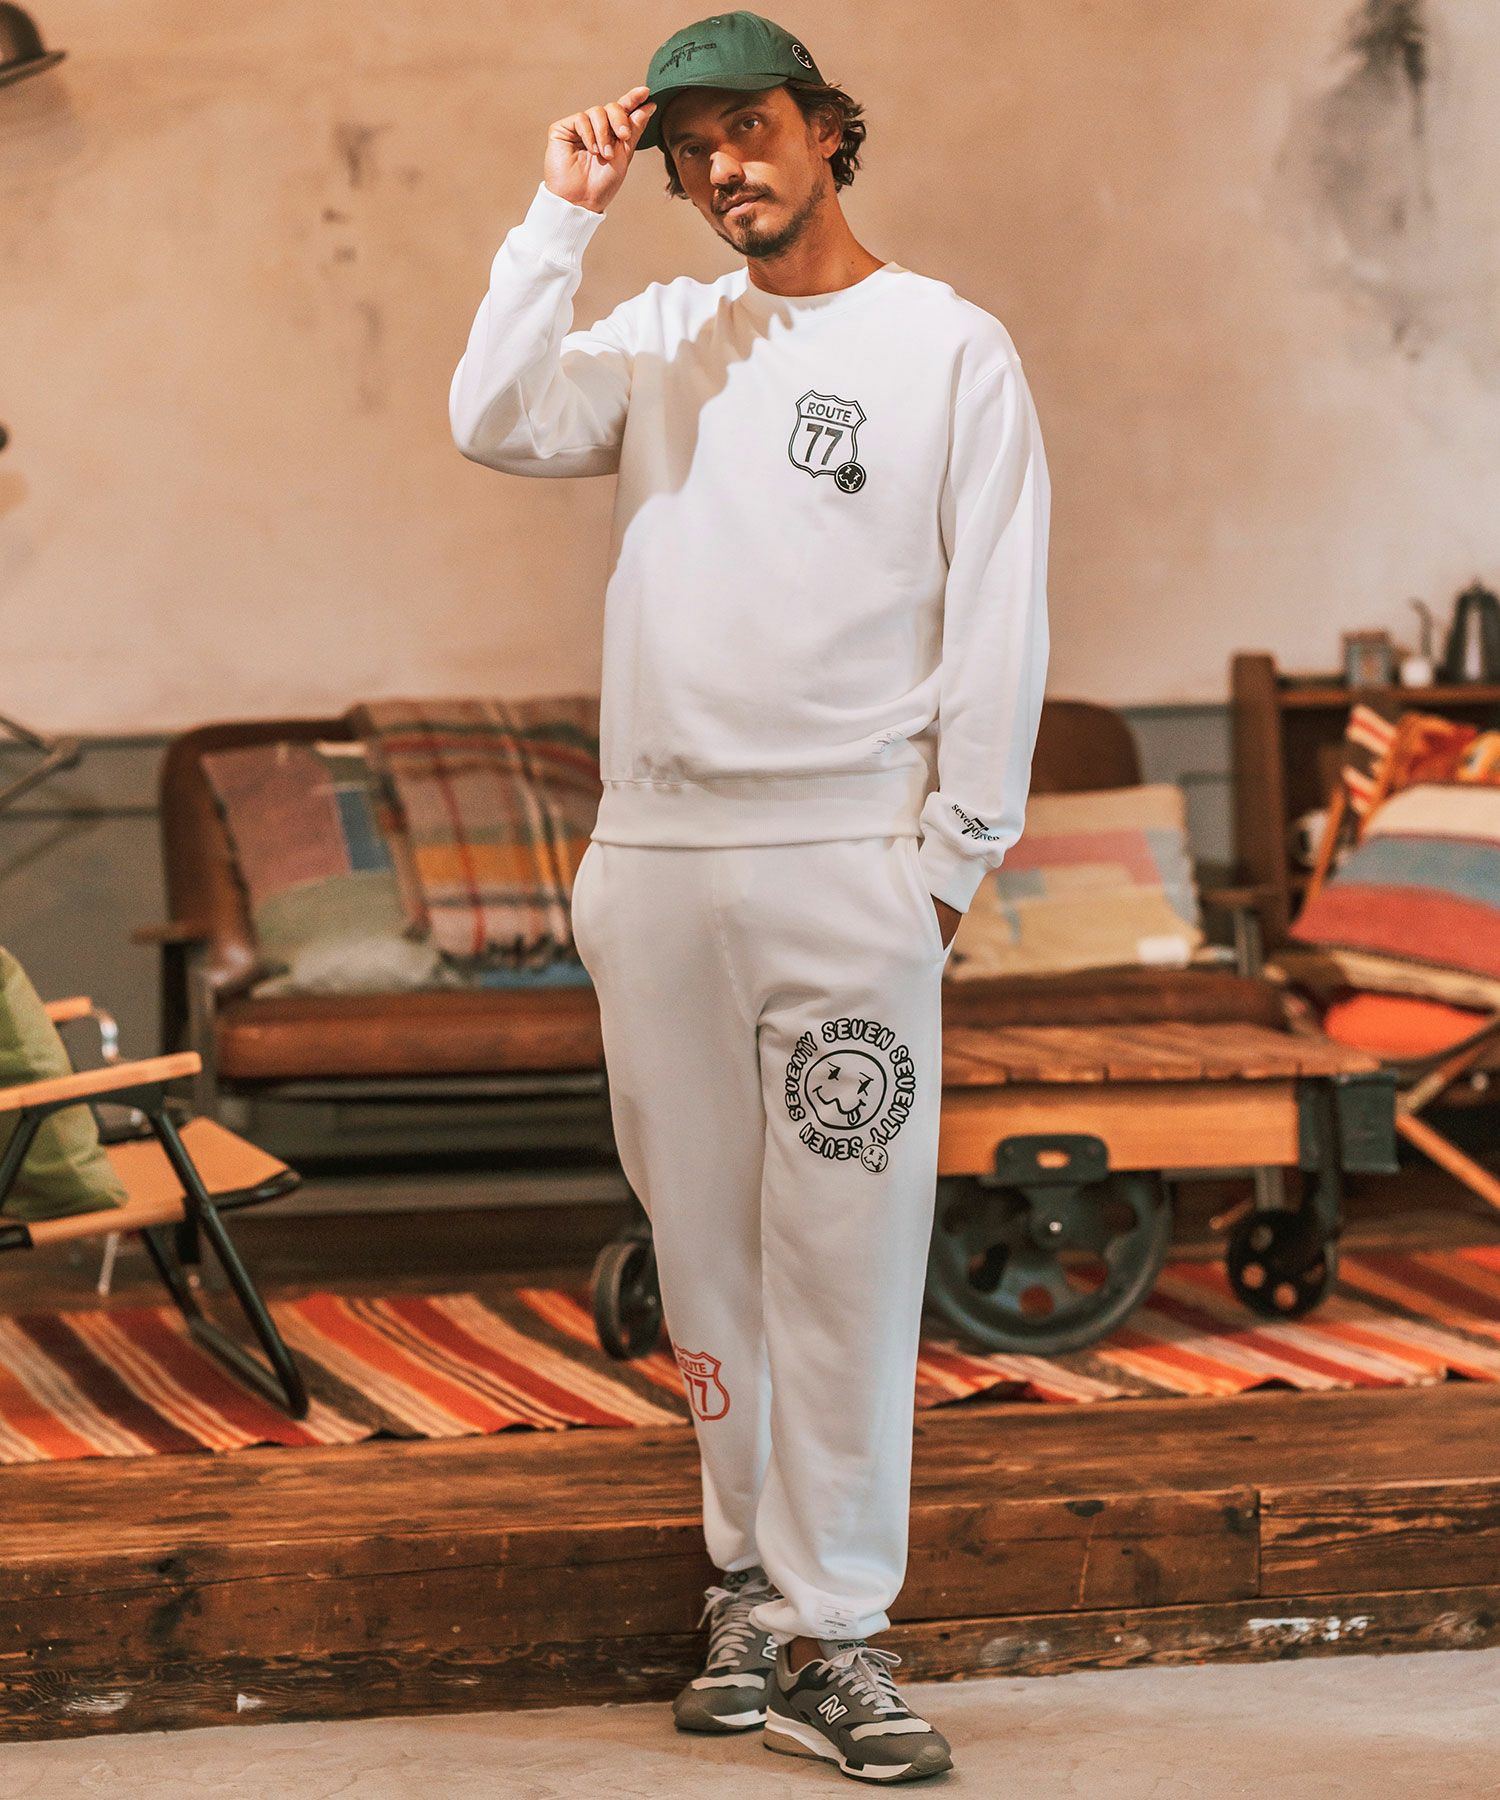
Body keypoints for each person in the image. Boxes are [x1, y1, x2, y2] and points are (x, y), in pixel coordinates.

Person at [450, 10, 1050, 1783]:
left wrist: (950, 865)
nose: (724, 166)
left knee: (846, 1261)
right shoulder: (657, 336)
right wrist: (558, 213)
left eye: (754, 128)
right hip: (653, 867)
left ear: (825, 128)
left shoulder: (949, 346)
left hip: (848, 864)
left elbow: (1000, 610)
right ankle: (747, 1591)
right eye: (690, 144)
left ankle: (837, 1629)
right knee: (705, 1258)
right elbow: (490, 418)